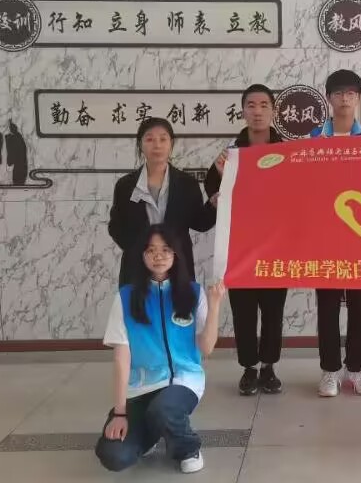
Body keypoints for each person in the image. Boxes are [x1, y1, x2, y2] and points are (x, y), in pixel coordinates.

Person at [95, 224, 226, 473]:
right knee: (113, 456)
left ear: (176, 254)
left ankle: (187, 448)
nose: (159, 256)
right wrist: (120, 413)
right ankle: (150, 433)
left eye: (166, 249)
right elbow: (121, 359)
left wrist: (215, 306)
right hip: (140, 388)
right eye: (151, 250)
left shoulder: (193, 293)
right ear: (142, 255)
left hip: (183, 382)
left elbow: (206, 348)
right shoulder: (125, 298)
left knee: (164, 408)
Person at [204, 84, 288, 396]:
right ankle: (249, 368)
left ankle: (269, 367)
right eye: (251, 105)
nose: (257, 111)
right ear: (242, 111)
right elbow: (213, 191)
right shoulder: (231, 154)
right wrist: (218, 188)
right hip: (239, 247)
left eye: (264, 105)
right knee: (244, 311)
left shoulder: (286, 153)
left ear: (273, 111)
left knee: (273, 311)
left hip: (276, 246)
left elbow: (298, 193)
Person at [309, 69, 361, 397]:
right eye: (338, 93)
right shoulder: (313, 139)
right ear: (329, 98)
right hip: (325, 234)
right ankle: (329, 371)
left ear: (359, 98)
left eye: (351, 93)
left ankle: (356, 370)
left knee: (360, 306)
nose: (345, 99)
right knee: (327, 306)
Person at [109, 118, 217, 286]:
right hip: (137, 270)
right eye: (150, 139)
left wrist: (213, 205)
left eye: (163, 139)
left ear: (171, 143)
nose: (157, 145)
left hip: (178, 268)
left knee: (178, 304)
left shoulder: (187, 183)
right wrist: (141, 250)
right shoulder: (125, 185)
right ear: (140, 144)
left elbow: (199, 223)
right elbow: (116, 227)